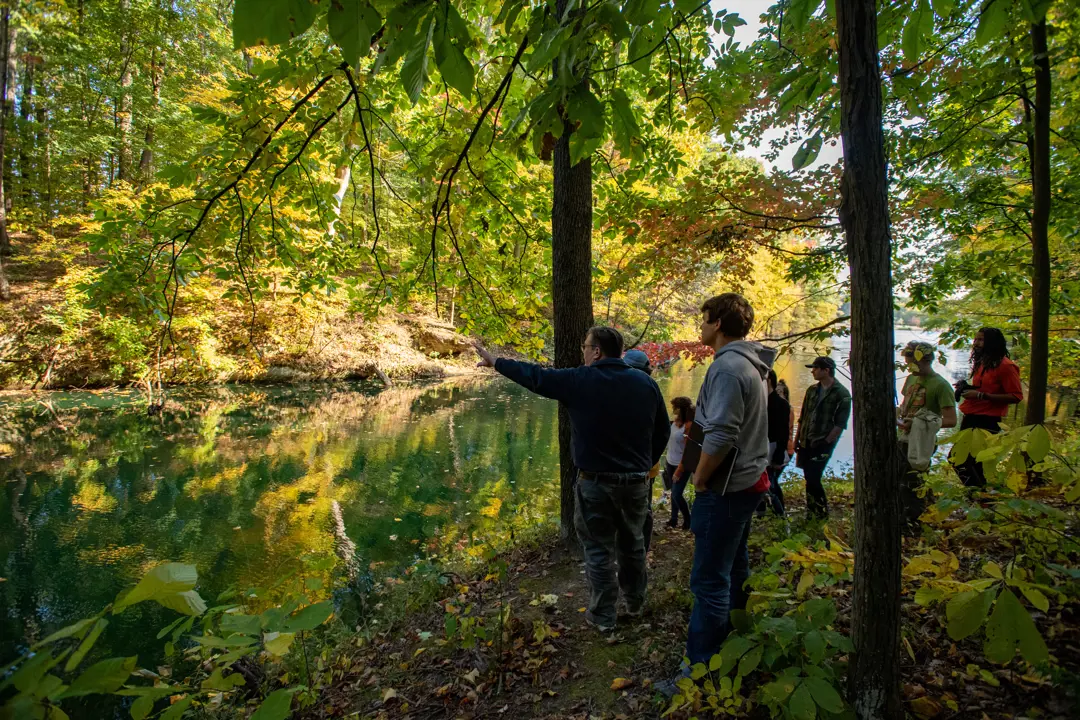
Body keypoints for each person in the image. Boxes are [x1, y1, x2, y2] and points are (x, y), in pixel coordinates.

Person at [474, 328, 670, 632]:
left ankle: (604, 618)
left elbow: (536, 376)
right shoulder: (646, 383)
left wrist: (496, 362)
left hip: (595, 483)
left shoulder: (580, 380)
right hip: (635, 483)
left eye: (585, 346)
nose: (583, 351)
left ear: (597, 352)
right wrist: (644, 465)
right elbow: (662, 432)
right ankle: (635, 604)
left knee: (599, 550)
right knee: (633, 545)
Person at [660, 293, 775, 694]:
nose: (700, 324)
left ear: (719, 324)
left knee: (709, 580)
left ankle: (698, 673)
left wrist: (701, 477)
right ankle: (736, 645)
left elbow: (723, 432)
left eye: (704, 317)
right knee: (736, 567)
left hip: (726, 488)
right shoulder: (751, 363)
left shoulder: (728, 368)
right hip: (747, 483)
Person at [951, 328, 1023, 487]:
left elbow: (1016, 396)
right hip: (971, 415)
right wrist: (967, 387)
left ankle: (979, 499)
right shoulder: (982, 362)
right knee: (972, 462)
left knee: (959, 459)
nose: (976, 343)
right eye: (975, 339)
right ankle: (982, 500)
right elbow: (986, 388)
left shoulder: (1006, 366)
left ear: (992, 342)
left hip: (987, 420)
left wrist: (981, 396)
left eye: (981, 340)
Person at [897, 341, 957, 529]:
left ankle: (916, 525)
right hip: (902, 438)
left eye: (912, 363)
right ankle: (903, 520)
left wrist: (919, 423)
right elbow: (906, 406)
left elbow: (951, 420)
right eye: (907, 363)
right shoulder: (911, 379)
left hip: (921, 443)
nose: (909, 367)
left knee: (913, 485)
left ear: (925, 360)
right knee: (899, 483)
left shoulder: (941, 385)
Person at [794, 356, 851, 519]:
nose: (812, 371)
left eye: (815, 368)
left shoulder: (842, 393)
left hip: (822, 443)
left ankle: (820, 512)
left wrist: (826, 442)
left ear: (826, 371)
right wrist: (797, 438)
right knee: (808, 476)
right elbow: (803, 416)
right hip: (806, 440)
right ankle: (812, 511)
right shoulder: (811, 390)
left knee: (814, 476)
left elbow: (840, 423)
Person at [623, 349, 662, 552]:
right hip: (645, 464)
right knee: (641, 509)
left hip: (642, 466)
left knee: (641, 510)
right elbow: (663, 431)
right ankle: (639, 550)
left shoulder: (640, 391)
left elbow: (661, 431)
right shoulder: (651, 389)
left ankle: (640, 550)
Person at [759, 370, 793, 517]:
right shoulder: (758, 402)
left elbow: (784, 432)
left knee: (771, 483)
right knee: (759, 481)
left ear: (769, 381)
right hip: (757, 447)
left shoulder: (781, 404)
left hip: (773, 448)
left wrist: (779, 453)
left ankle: (780, 513)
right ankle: (760, 511)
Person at [664, 397, 694, 530]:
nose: (673, 409)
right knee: (672, 492)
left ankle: (688, 520)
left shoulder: (689, 426)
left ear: (681, 409)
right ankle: (673, 519)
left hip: (681, 465)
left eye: (675, 407)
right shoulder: (674, 422)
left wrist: (680, 469)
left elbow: (689, 452)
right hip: (670, 461)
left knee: (676, 494)